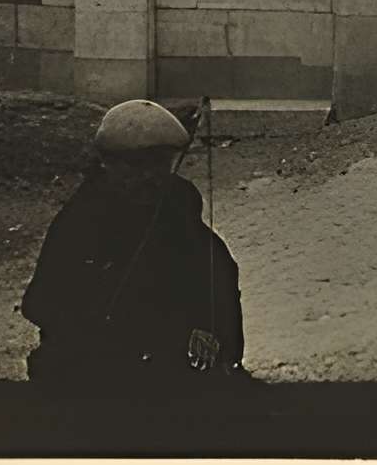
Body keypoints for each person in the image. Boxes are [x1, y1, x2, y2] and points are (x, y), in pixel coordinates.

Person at [20, 100, 245, 393]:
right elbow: (42, 304)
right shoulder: (81, 221)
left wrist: (211, 329)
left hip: (173, 367)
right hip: (101, 373)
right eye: (135, 166)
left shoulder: (177, 208)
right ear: (108, 164)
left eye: (159, 164)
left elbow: (219, 277)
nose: (148, 177)